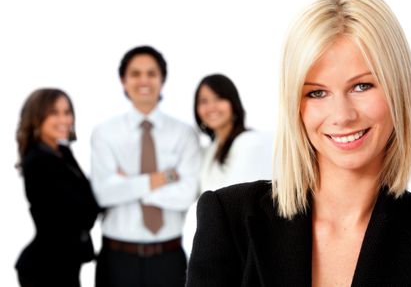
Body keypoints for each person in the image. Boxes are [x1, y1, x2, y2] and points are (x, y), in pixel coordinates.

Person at [186, 0, 411, 286]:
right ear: (294, 105)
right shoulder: (229, 219)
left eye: (362, 86)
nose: (342, 115)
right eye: (317, 92)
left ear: (398, 88)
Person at [91, 45, 202, 287]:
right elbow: (104, 193)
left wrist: (128, 185)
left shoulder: (184, 134)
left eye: (151, 73)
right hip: (117, 260)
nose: (144, 80)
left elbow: (187, 194)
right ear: (123, 80)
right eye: (135, 73)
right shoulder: (104, 133)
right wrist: (163, 178)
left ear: (162, 80)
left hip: (169, 260)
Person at [15, 88, 99, 287]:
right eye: (54, 113)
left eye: (67, 112)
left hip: (66, 265)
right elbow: (80, 214)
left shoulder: (62, 152)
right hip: (45, 269)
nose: (64, 119)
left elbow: (88, 206)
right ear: (37, 117)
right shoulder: (38, 161)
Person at [182, 74, 272, 256]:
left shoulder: (250, 143)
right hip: (217, 248)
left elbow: (238, 206)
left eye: (219, 98)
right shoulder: (210, 151)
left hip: (243, 251)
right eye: (204, 101)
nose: (211, 107)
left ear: (233, 103)